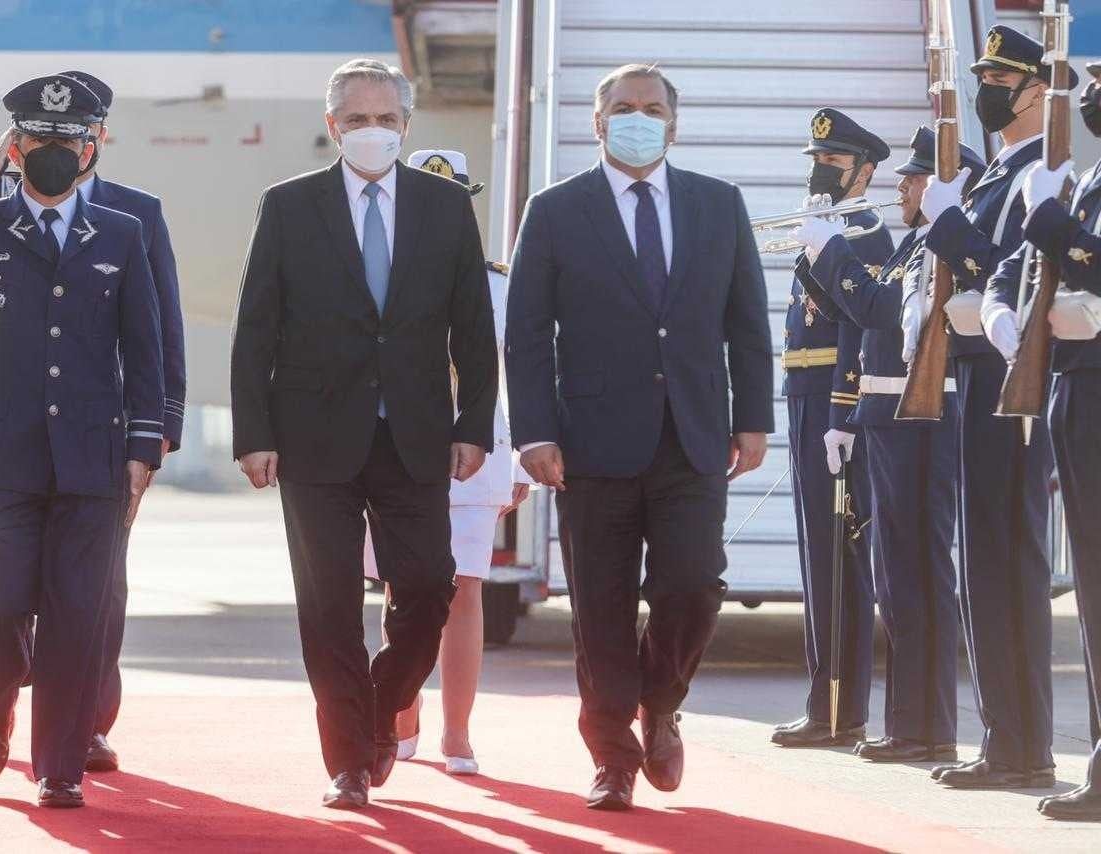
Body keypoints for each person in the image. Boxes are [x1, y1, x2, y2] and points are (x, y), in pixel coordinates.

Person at [230, 59, 497, 810]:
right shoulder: (288, 206)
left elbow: (474, 331)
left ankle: (383, 703)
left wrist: (473, 424)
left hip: (414, 435)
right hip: (313, 437)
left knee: (428, 588)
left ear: (406, 126)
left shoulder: (445, 207)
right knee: (329, 605)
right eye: (356, 120)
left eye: (384, 119)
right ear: (332, 127)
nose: (371, 131)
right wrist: (254, 432)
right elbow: (256, 330)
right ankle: (348, 761)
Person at [506, 63, 773, 810]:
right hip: (590, 444)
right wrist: (533, 432)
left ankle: (662, 700)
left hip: (693, 437)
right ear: (597, 122)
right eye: (622, 107)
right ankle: (613, 760)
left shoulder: (718, 205)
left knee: (693, 586)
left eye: (652, 108)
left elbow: (747, 324)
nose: (637, 118)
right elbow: (527, 334)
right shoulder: (556, 210)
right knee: (601, 606)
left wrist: (754, 417)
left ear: (673, 124)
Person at [0, 75, 164, 808]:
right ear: (17, 144)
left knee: (79, 610)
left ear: (92, 147)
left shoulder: (121, 232)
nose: (55, 151)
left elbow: (146, 347)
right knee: (1, 597)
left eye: (68, 139)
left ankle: (59, 768)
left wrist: (145, 445)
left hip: (92, 454)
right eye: (38, 139)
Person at [792, 125, 985, 763]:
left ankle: (924, 727)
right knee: (897, 576)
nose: (904, 185)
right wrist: (821, 259)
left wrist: (832, 256)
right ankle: (912, 724)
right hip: (888, 419)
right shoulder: (916, 245)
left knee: (916, 575)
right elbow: (867, 316)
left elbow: (879, 312)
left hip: (916, 423)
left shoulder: (936, 245)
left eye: (918, 175)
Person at [915, 25, 1073, 783]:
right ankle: (1003, 736)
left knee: (1008, 560)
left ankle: (1022, 745)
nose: (989, 91)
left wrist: (945, 223)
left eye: (1000, 79)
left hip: (1012, 382)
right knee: (983, 561)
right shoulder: (994, 175)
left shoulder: (1038, 173)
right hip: (979, 377)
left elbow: (998, 266)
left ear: (1036, 91)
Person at [362, 149, 533, 776]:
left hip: (474, 454)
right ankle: (397, 713)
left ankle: (457, 732)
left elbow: (521, 377)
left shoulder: (498, 282)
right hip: (390, 452)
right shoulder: (374, 271)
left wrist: (517, 460)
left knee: (463, 591)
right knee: (400, 589)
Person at [984, 59, 1101, 819]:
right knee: (1093, 591)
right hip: (1079, 387)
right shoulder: (1093, 180)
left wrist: (1049, 219)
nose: (1092, 97)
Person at [771, 109, 891, 750]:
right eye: (815, 160)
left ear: (863, 172)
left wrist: (844, 412)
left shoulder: (864, 234)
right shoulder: (827, 230)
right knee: (818, 555)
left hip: (832, 404)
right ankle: (827, 701)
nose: (819, 172)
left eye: (833, 163)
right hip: (803, 397)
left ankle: (839, 708)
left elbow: (859, 328)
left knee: (838, 557)